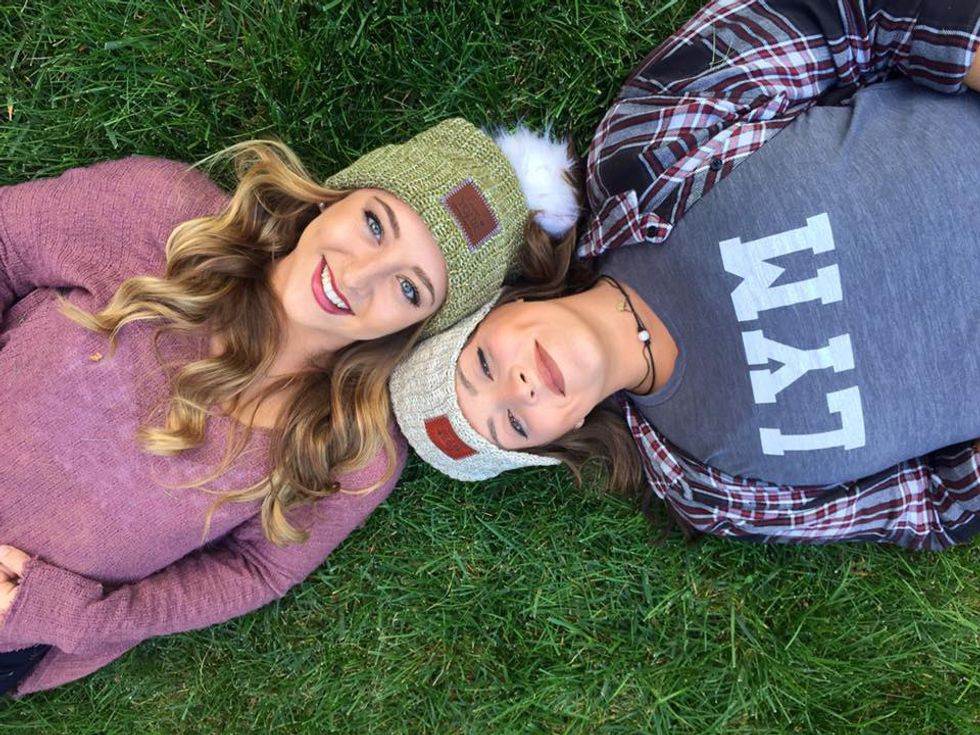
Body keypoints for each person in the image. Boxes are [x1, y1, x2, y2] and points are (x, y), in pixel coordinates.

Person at [0, 118, 580, 695]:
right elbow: (6, 244)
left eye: (410, 289)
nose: (357, 276)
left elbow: (257, 570)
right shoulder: (163, 217)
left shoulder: (353, 447)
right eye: (376, 223)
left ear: (418, 327)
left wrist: (82, 617)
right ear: (342, 194)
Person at [391, 1, 980, 550]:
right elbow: (934, 507)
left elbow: (848, 14)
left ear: (504, 304)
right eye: (515, 424)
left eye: (483, 365)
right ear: (562, 432)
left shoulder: (641, 163)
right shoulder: (709, 490)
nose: (518, 388)